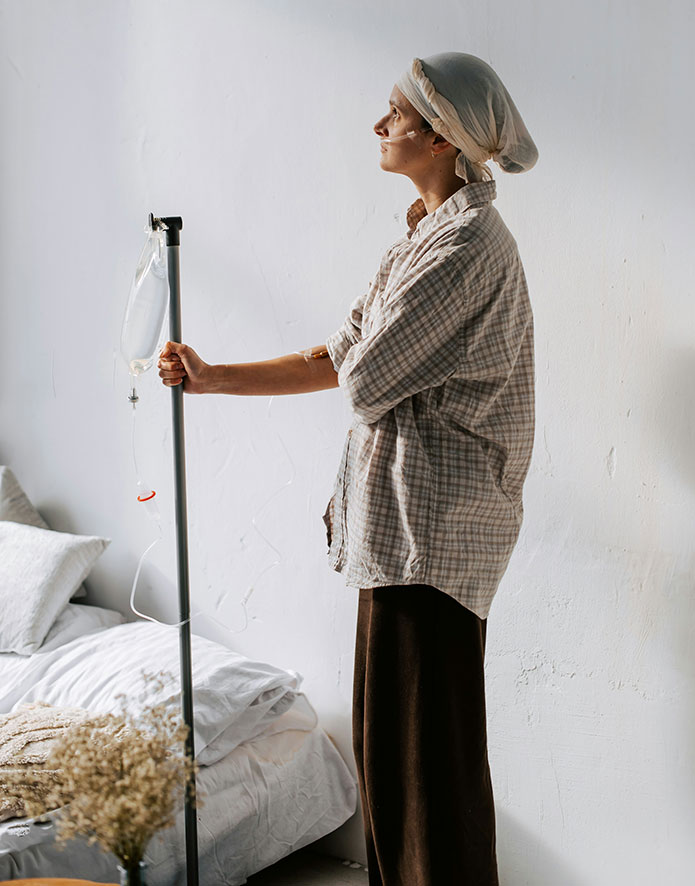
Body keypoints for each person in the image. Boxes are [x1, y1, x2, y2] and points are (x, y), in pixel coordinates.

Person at [158, 51, 538, 886]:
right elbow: (340, 351)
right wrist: (215, 375)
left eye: (395, 113)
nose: (378, 124)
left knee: (428, 784)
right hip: (400, 540)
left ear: (440, 138)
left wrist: (356, 357)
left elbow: (364, 381)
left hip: (429, 545)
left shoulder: (465, 246)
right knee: (398, 775)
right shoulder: (426, 234)